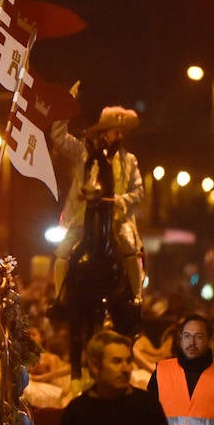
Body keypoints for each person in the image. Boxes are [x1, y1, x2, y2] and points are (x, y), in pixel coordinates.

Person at [50, 106, 145, 305]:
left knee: (129, 247)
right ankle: (60, 297)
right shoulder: (82, 153)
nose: (119, 135)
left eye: (121, 131)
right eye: (115, 130)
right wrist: (65, 108)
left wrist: (120, 200)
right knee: (63, 251)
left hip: (117, 218)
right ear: (104, 132)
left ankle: (136, 296)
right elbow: (59, 139)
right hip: (81, 217)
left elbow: (138, 191)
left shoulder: (129, 160)